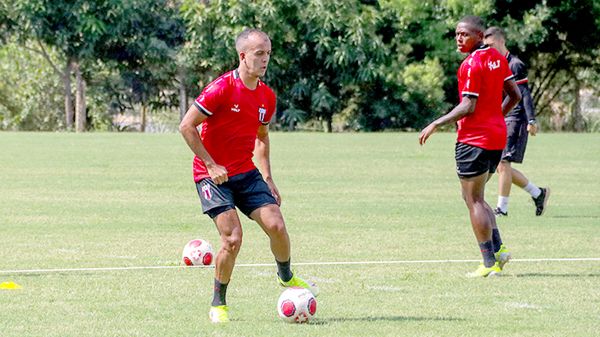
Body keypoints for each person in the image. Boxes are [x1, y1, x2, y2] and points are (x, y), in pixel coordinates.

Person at [179, 28, 318, 323]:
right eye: (259, 54)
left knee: (276, 224)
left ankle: (286, 276)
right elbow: (186, 126)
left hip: (246, 172)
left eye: (268, 53)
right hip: (211, 176)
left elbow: (262, 137)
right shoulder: (221, 89)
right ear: (243, 56)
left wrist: (267, 177)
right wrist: (211, 164)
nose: (265, 59)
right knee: (233, 238)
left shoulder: (267, 96)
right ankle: (219, 303)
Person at [418, 16, 522, 277]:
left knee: (473, 199)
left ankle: (489, 264)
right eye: (456, 34)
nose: (458, 38)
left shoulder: (470, 65)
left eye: (464, 34)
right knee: (476, 197)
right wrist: (496, 118)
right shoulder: (498, 58)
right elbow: (515, 95)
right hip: (496, 138)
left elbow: (468, 105)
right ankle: (499, 251)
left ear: (479, 35)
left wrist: (436, 123)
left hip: (473, 140)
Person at [483, 27, 550, 217]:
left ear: (501, 42)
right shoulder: (492, 64)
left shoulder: (515, 65)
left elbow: (525, 94)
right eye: (485, 46)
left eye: (491, 45)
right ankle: (538, 193)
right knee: (500, 166)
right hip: (500, 118)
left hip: (516, 117)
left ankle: (501, 210)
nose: (488, 49)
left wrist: (531, 119)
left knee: (503, 163)